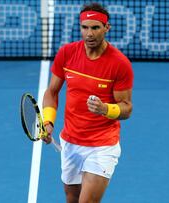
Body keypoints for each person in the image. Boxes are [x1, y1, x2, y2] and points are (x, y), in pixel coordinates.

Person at [42, 2, 133, 203]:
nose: (89, 34)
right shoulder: (67, 53)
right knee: (71, 198)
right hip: (71, 142)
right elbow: (51, 92)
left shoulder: (119, 64)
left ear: (106, 28)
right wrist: (48, 122)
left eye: (95, 27)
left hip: (102, 145)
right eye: (85, 27)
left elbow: (126, 108)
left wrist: (105, 109)